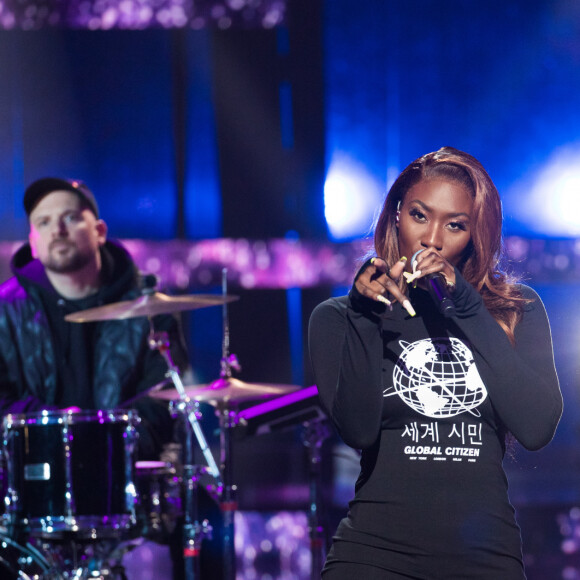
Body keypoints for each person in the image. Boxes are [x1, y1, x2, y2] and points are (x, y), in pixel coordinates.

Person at [308, 147, 563, 579]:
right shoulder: (340, 317)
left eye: (456, 225)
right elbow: (358, 429)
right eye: (419, 215)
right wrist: (367, 318)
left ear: (476, 234)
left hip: (484, 556)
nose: (432, 239)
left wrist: (464, 305)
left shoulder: (515, 310)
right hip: (373, 555)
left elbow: (537, 428)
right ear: (396, 216)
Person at [0, 177, 186, 457]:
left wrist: (99, 440)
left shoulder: (149, 308)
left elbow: (164, 400)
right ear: (33, 244)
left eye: (70, 218)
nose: (58, 231)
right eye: (44, 222)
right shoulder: (5, 311)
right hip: (35, 471)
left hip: (123, 471)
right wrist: (57, 426)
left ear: (100, 231)